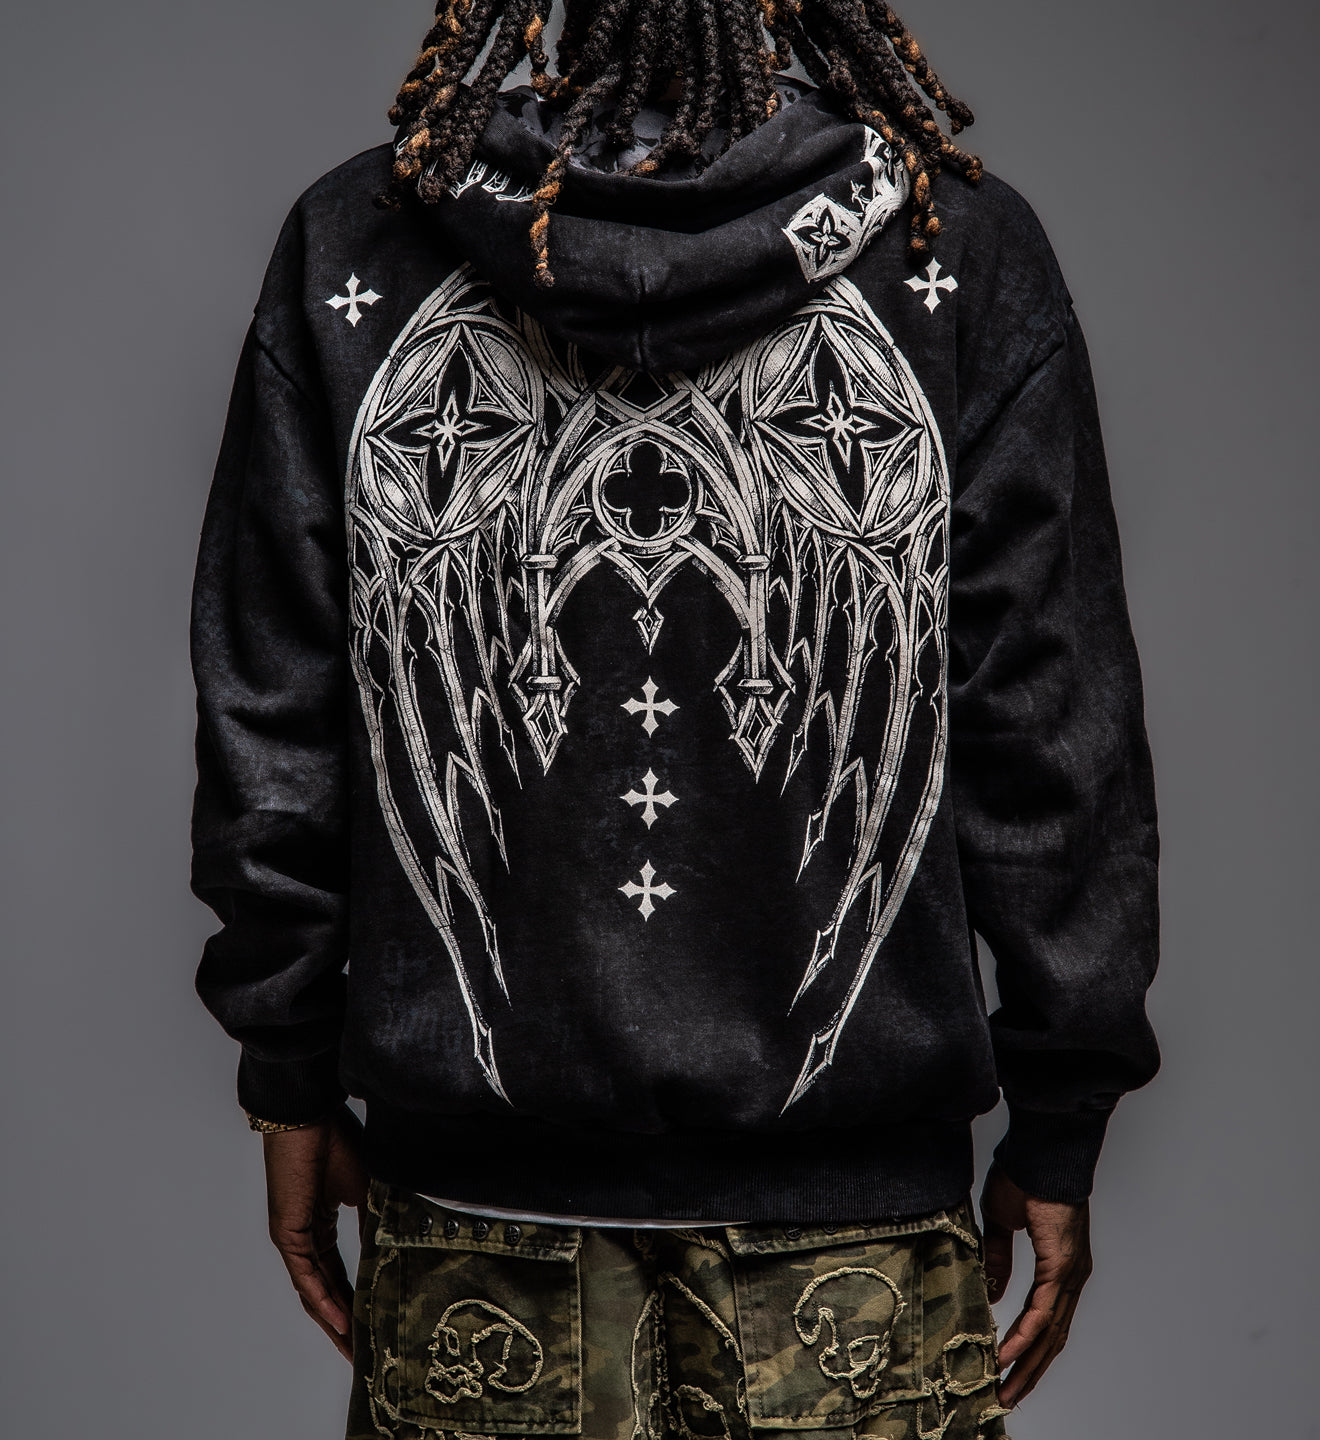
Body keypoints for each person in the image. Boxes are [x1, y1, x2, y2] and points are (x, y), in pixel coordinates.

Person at [188, 2, 1162, 1436]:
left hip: (478, 1221)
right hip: (854, 1236)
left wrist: (285, 1072)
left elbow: (273, 715)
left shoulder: (366, 242)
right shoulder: (950, 244)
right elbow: (1051, 734)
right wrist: (1063, 1116)